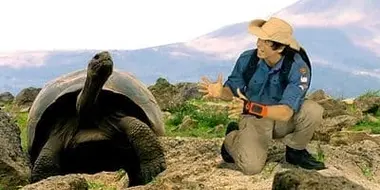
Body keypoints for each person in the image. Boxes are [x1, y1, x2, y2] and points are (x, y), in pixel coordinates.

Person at [198, 17, 326, 175]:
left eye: (266, 41)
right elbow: (232, 91)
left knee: (313, 110)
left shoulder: (298, 67)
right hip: (254, 118)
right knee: (251, 167)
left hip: (280, 118)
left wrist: (250, 107)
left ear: (279, 48)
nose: (259, 43)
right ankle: (231, 139)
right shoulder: (248, 59)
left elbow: (286, 113)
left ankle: (295, 151)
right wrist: (220, 93)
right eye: (259, 38)